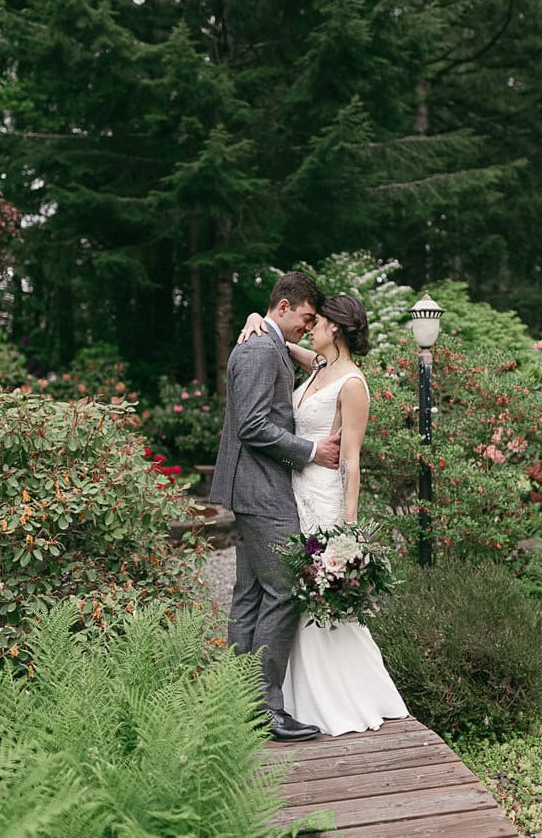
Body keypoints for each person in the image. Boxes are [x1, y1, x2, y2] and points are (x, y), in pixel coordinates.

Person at [240, 294, 408, 736]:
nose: (309, 326)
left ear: (335, 327)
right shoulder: (318, 365)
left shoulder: (352, 384)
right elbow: (279, 341)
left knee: (320, 598)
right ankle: (289, 697)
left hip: (325, 500)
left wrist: (349, 532)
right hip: (293, 491)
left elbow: (352, 460)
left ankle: (343, 695)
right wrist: (257, 316)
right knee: (294, 593)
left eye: (317, 321)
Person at [209, 271, 342, 742]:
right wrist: (310, 452)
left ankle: (235, 705)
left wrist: (278, 334)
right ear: (283, 306)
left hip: (256, 488)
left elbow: (301, 355)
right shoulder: (258, 349)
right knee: (285, 589)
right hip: (260, 490)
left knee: (249, 594)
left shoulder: (269, 343)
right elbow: (251, 425)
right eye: (305, 318)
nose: (308, 327)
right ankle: (267, 711)